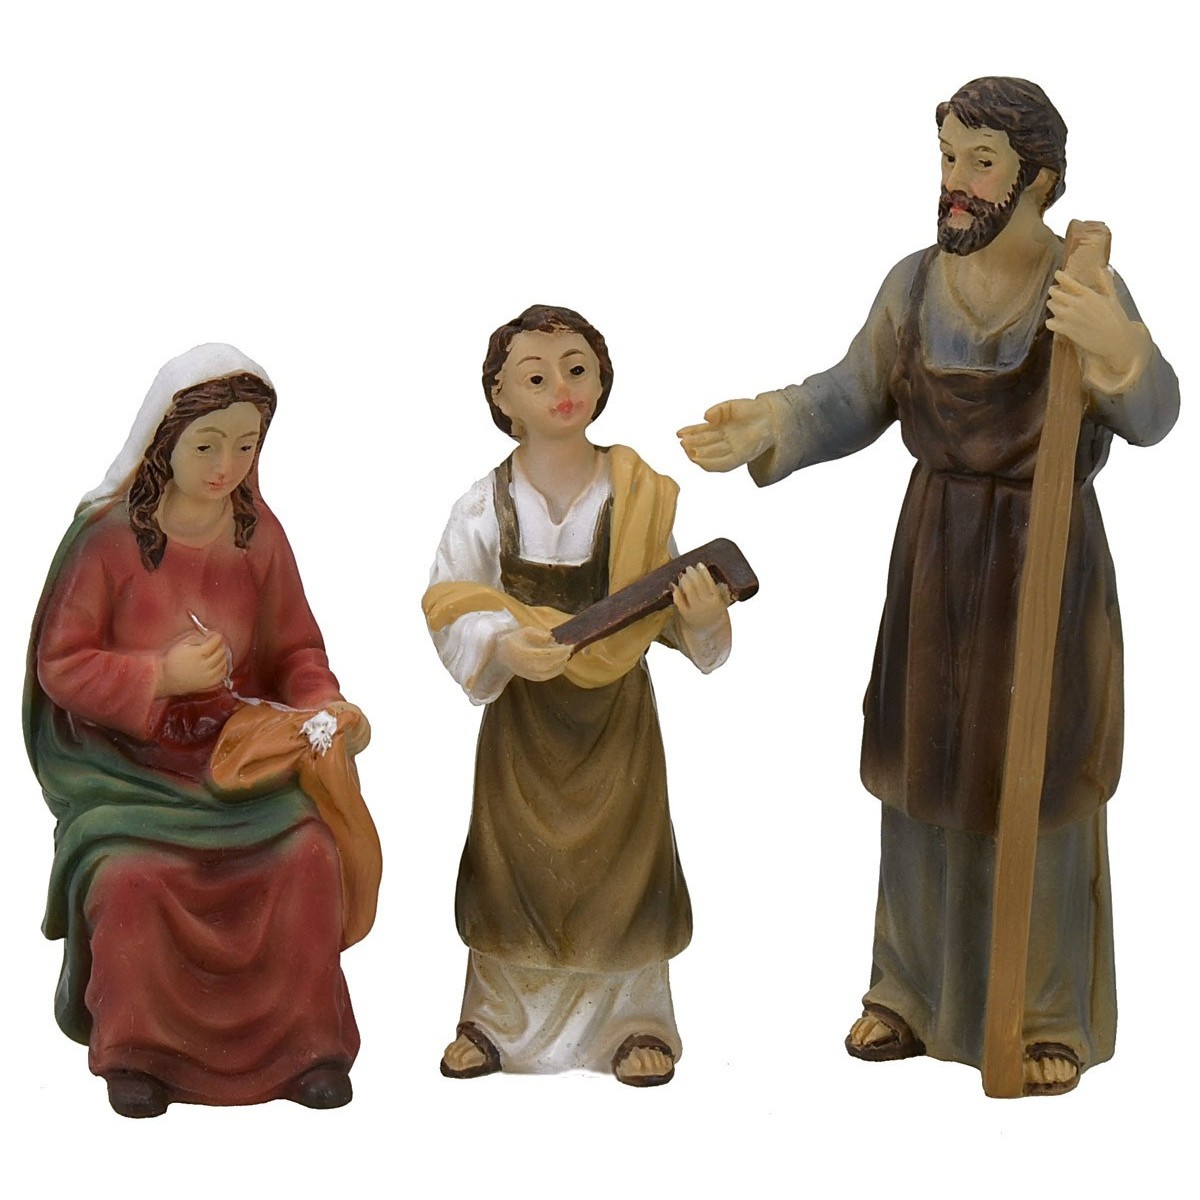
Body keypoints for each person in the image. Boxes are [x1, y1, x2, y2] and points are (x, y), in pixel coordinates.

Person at [678, 77, 1179, 1095]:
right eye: (948, 156)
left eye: (981, 161)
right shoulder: (912, 286)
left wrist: (1119, 351)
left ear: (1037, 179)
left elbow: (1155, 414)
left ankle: (1046, 1013)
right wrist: (771, 420)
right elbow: (852, 394)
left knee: (1046, 775)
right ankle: (906, 991)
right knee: (924, 768)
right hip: (939, 557)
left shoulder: (1084, 283)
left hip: (1047, 557)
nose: (956, 181)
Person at [26, 344, 380, 1116]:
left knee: (307, 855)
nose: (227, 466)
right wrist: (159, 676)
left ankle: (307, 1047)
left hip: (236, 763)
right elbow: (62, 664)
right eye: (207, 445)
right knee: (131, 877)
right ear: (165, 442)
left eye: (246, 446)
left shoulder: (258, 536)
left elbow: (295, 652)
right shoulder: (107, 541)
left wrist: (325, 709)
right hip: (129, 772)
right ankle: (138, 1051)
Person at [423, 305, 732, 1086]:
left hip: (615, 725)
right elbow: (450, 600)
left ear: (601, 379)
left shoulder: (637, 496)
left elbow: (666, 616)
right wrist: (501, 643)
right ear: (502, 398)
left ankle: (634, 1021)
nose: (561, 388)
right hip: (525, 723)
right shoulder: (483, 504)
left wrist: (701, 619)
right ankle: (495, 1022)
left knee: (621, 873)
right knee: (513, 869)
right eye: (536, 377)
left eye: (576, 369)